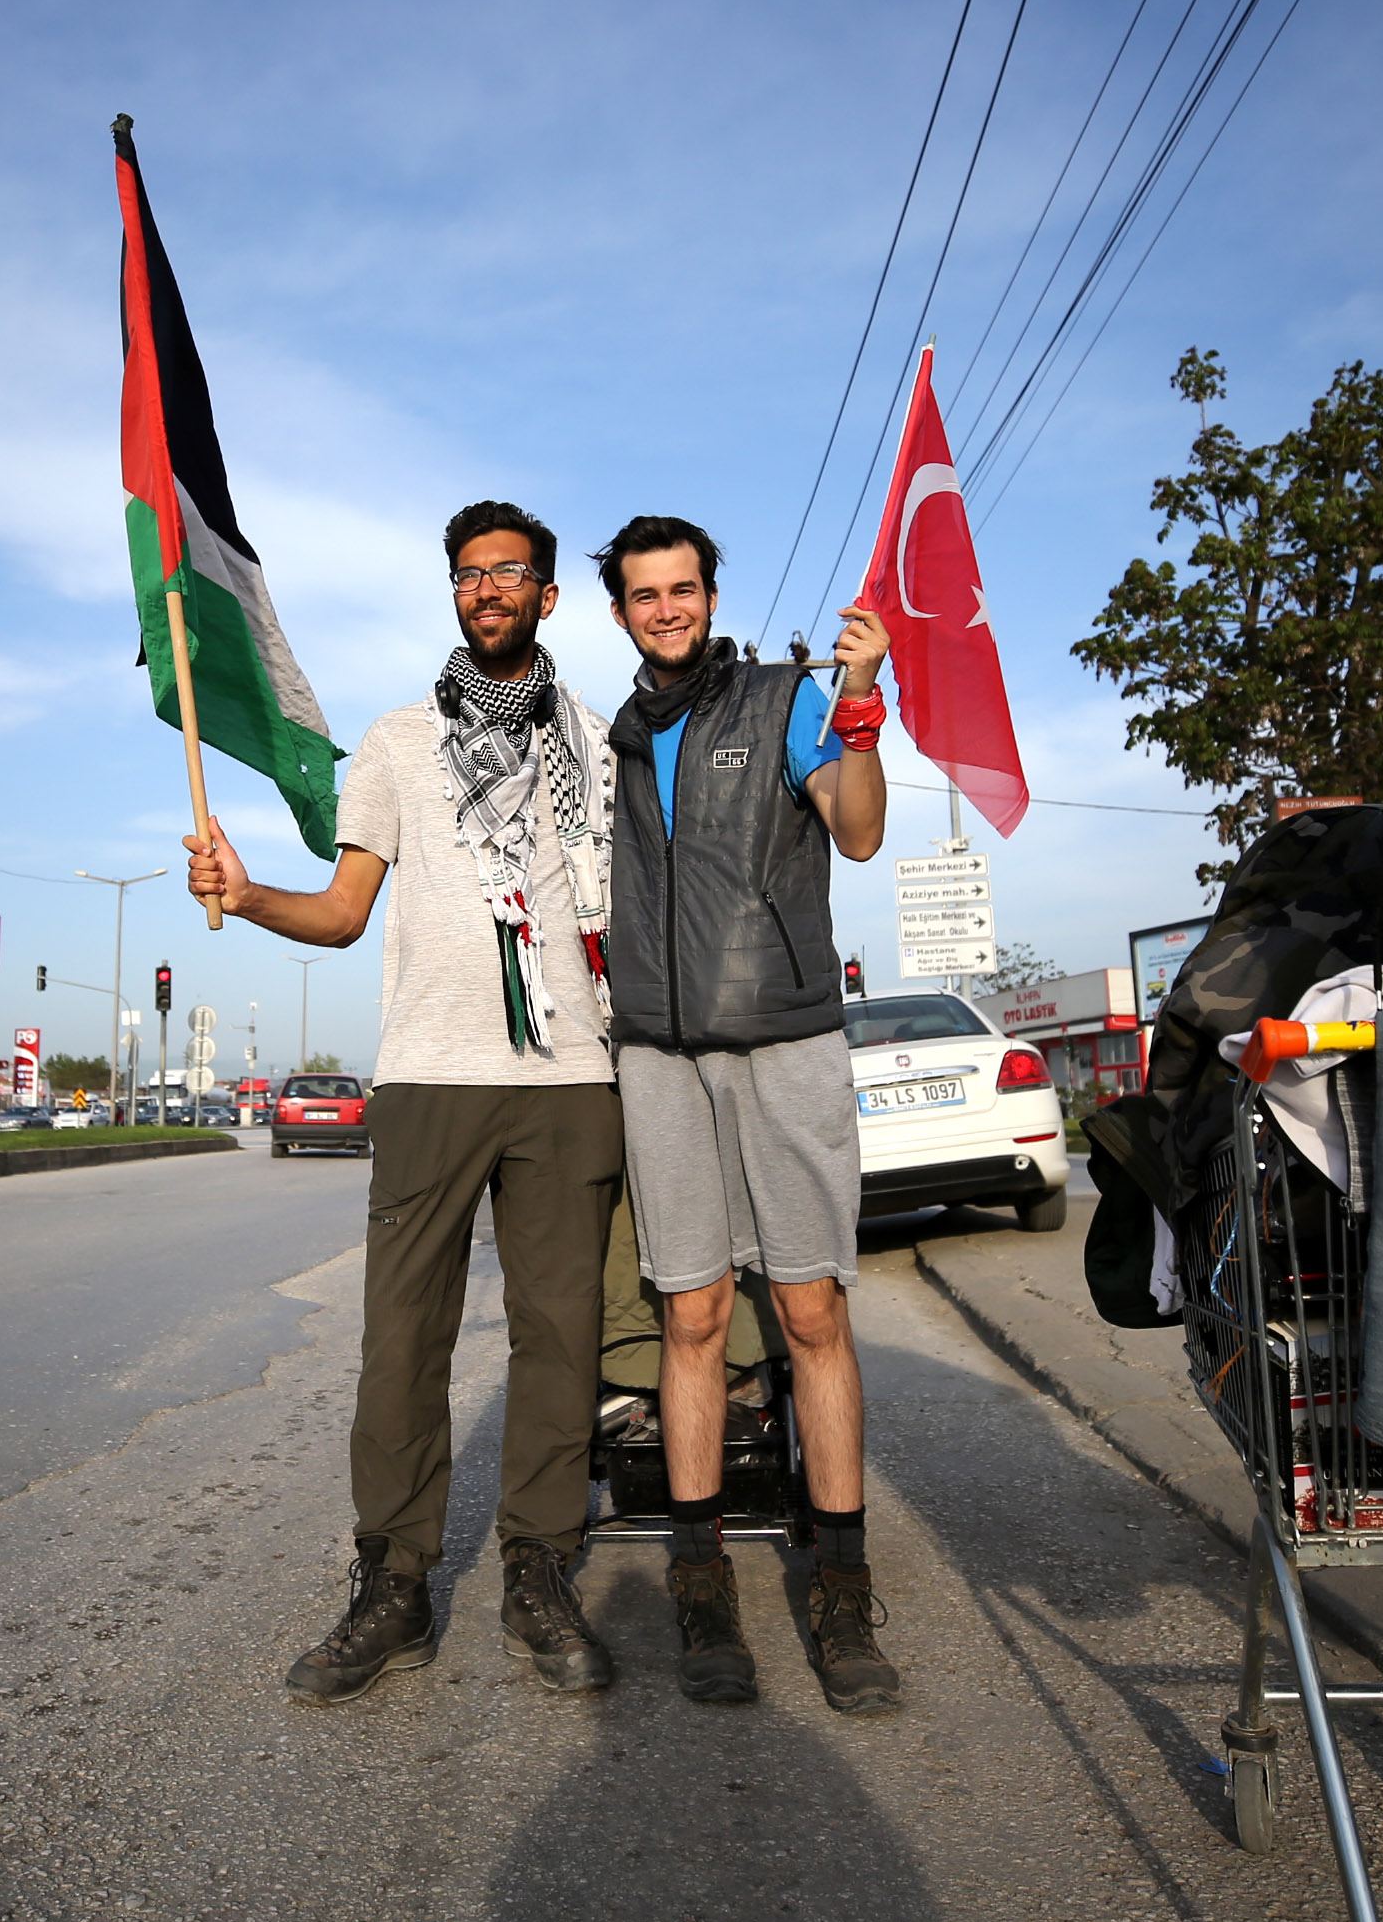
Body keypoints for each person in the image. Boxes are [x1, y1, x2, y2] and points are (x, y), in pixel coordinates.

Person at [186, 500, 626, 1704]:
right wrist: (249, 888)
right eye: (470, 573)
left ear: (546, 596)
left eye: (511, 573)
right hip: (430, 1077)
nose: (489, 588)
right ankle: (394, 1582)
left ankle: (541, 1570)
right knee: (401, 1347)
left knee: (559, 1344)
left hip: (570, 1078)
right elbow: (340, 914)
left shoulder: (599, 740)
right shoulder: (393, 743)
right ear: (453, 594)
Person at [590, 512, 900, 1712]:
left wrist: (861, 700)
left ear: (712, 595)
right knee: (694, 1315)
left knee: (812, 1310)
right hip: (660, 1053)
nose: (665, 608)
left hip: (784, 1036)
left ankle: (841, 1589)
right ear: (620, 611)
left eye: (683, 589)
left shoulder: (788, 699)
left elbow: (861, 832)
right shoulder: (613, 735)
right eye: (644, 594)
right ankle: (702, 1582)